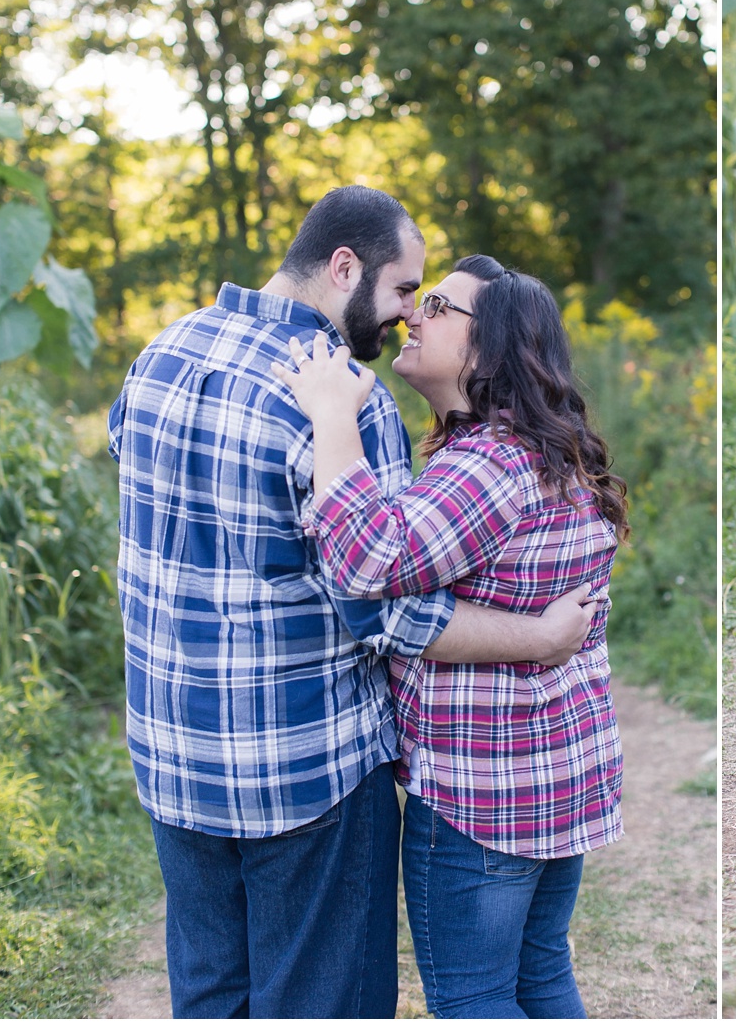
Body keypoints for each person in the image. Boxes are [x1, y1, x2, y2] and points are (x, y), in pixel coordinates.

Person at [108, 187, 595, 1019]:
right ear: (345, 267)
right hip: (307, 769)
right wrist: (541, 635)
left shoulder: (163, 350)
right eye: (407, 289)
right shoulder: (344, 398)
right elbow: (391, 609)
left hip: (174, 753)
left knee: (211, 997)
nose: (409, 314)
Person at [274, 254, 625, 1018]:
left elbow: (366, 560)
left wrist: (333, 417)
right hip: (554, 776)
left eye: (437, 306)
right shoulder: (551, 452)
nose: (411, 315)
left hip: (481, 794)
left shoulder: (488, 465)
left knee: (473, 998)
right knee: (540, 976)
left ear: (490, 351)